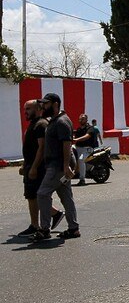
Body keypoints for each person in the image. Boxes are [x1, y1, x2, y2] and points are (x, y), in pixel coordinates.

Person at [30, 93, 81, 242]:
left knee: (42, 194)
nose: (43, 107)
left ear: (55, 104)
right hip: (58, 166)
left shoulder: (61, 122)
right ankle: (73, 228)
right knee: (66, 197)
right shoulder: (55, 120)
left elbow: (67, 144)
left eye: (46, 104)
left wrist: (65, 166)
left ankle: (44, 229)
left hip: (57, 166)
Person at [18, 100, 64, 236]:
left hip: (37, 168)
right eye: (25, 109)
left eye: (28, 109)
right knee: (32, 196)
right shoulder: (34, 124)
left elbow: (41, 148)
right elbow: (30, 148)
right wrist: (25, 165)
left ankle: (39, 224)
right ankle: (45, 219)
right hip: (30, 165)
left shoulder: (41, 124)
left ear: (38, 109)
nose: (25, 112)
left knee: (35, 196)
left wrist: (34, 167)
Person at [73, 114, 99, 186]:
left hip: (87, 149)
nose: (81, 120)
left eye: (83, 119)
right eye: (80, 119)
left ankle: (82, 179)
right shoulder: (79, 129)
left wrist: (76, 140)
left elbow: (87, 136)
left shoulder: (90, 128)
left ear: (86, 120)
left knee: (81, 160)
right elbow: (74, 136)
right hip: (78, 147)